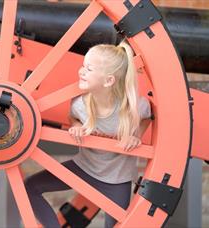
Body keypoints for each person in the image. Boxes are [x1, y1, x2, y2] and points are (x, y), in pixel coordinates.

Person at [25, 41, 152, 228]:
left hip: (117, 180)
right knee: (30, 186)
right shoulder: (80, 105)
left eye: (88, 69)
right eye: (83, 66)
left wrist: (137, 136)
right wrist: (75, 125)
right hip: (83, 169)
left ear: (108, 81)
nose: (81, 71)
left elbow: (147, 117)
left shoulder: (135, 107)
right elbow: (73, 117)